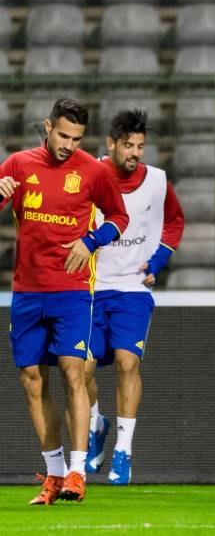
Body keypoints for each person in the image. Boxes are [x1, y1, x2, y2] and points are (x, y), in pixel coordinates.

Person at [0, 98, 129, 504]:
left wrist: (90, 240)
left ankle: (77, 472)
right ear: (47, 126)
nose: (68, 145)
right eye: (62, 135)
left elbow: (118, 218)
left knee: (74, 372)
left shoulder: (93, 170)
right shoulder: (18, 165)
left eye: (76, 138)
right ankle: (53, 473)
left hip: (73, 290)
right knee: (32, 381)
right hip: (26, 291)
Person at [84, 109, 185, 485]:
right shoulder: (89, 175)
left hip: (131, 287)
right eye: (129, 145)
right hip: (90, 286)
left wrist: (157, 260)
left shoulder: (157, 181)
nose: (136, 153)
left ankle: (124, 451)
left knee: (128, 363)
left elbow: (175, 221)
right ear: (111, 144)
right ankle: (96, 424)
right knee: (82, 369)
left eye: (141, 146)